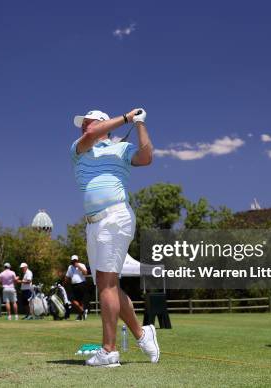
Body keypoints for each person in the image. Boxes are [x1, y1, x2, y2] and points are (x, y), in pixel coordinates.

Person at [70, 108, 159, 367]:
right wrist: (126, 117)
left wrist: (139, 123)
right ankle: (143, 334)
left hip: (115, 217)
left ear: (103, 124)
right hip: (93, 224)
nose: (83, 128)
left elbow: (146, 157)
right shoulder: (79, 148)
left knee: (106, 283)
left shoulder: (121, 149)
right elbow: (92, 134)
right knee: (106, 284)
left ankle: (109, 351)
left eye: (87, 122)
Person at [64, 255, 89, 320]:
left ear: (78, 260)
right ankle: (82, 311)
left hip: (82, 284)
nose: (74, 262)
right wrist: (65, 283)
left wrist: (79, 266)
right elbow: (67, 276)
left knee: (81, 300)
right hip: (74, 285)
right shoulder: (70, 267)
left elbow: (85, 273)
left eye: (75, 260)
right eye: (73, 261)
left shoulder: (82, 265)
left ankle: (80, 315)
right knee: (72, 300)